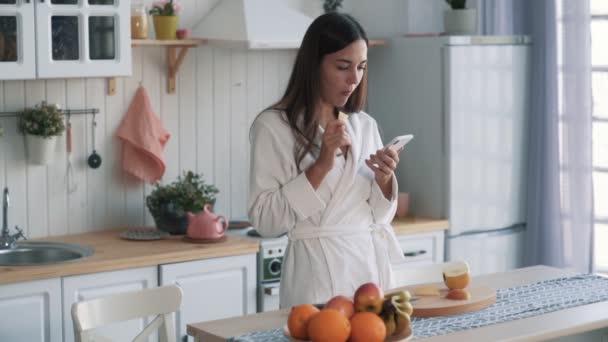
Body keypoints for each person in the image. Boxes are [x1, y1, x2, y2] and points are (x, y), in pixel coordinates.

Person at [248, 12, 405, 308]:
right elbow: (266, 221)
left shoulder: (364, 125)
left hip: (370, 278)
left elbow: (378, 217)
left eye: (361, 67)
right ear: (313, 66)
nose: (354, 79)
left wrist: (384, 180)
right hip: (317, 280)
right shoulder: (273, 127)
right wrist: (321, 165)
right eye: (343, 67)